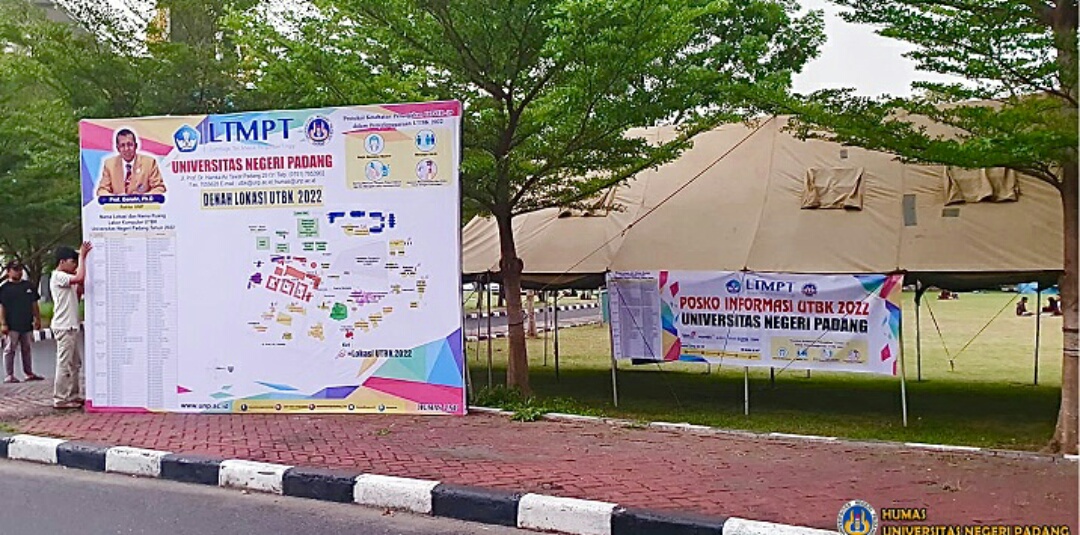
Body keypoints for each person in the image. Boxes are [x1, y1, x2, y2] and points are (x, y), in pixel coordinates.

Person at [50, 242, 92, 409]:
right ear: (62, 262)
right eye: (72, 261)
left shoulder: (67, 279)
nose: (75, 265)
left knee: (75, 364)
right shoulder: (58, 276)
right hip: (64, 325)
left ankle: (73, 394)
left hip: (71, 325)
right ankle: (60, 398)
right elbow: (79, 277)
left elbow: (79, 290)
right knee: (64, 363)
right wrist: (82, 257)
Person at [0, 260, 45, 384]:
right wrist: (3, 323)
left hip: (26, 323)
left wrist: (37, 318)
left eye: (20, 269)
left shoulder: (28, 286)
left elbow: (34, 304)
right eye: (15, 270)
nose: (18, 272)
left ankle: (28, 373)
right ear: (8, 272)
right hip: (12, 324)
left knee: (27, 349)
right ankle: (9, 375)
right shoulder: (4, 288)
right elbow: (2, 307)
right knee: (10, 349)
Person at [96, 129, 166, 196]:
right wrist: (117, 198)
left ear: (136, 146)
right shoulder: (109, 164)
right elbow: (102, 190)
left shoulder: (149, 162)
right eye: (122, 145)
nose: (126, 149)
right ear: (118, 148)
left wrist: (143, 197)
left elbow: (159, 188)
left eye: (130, 144)